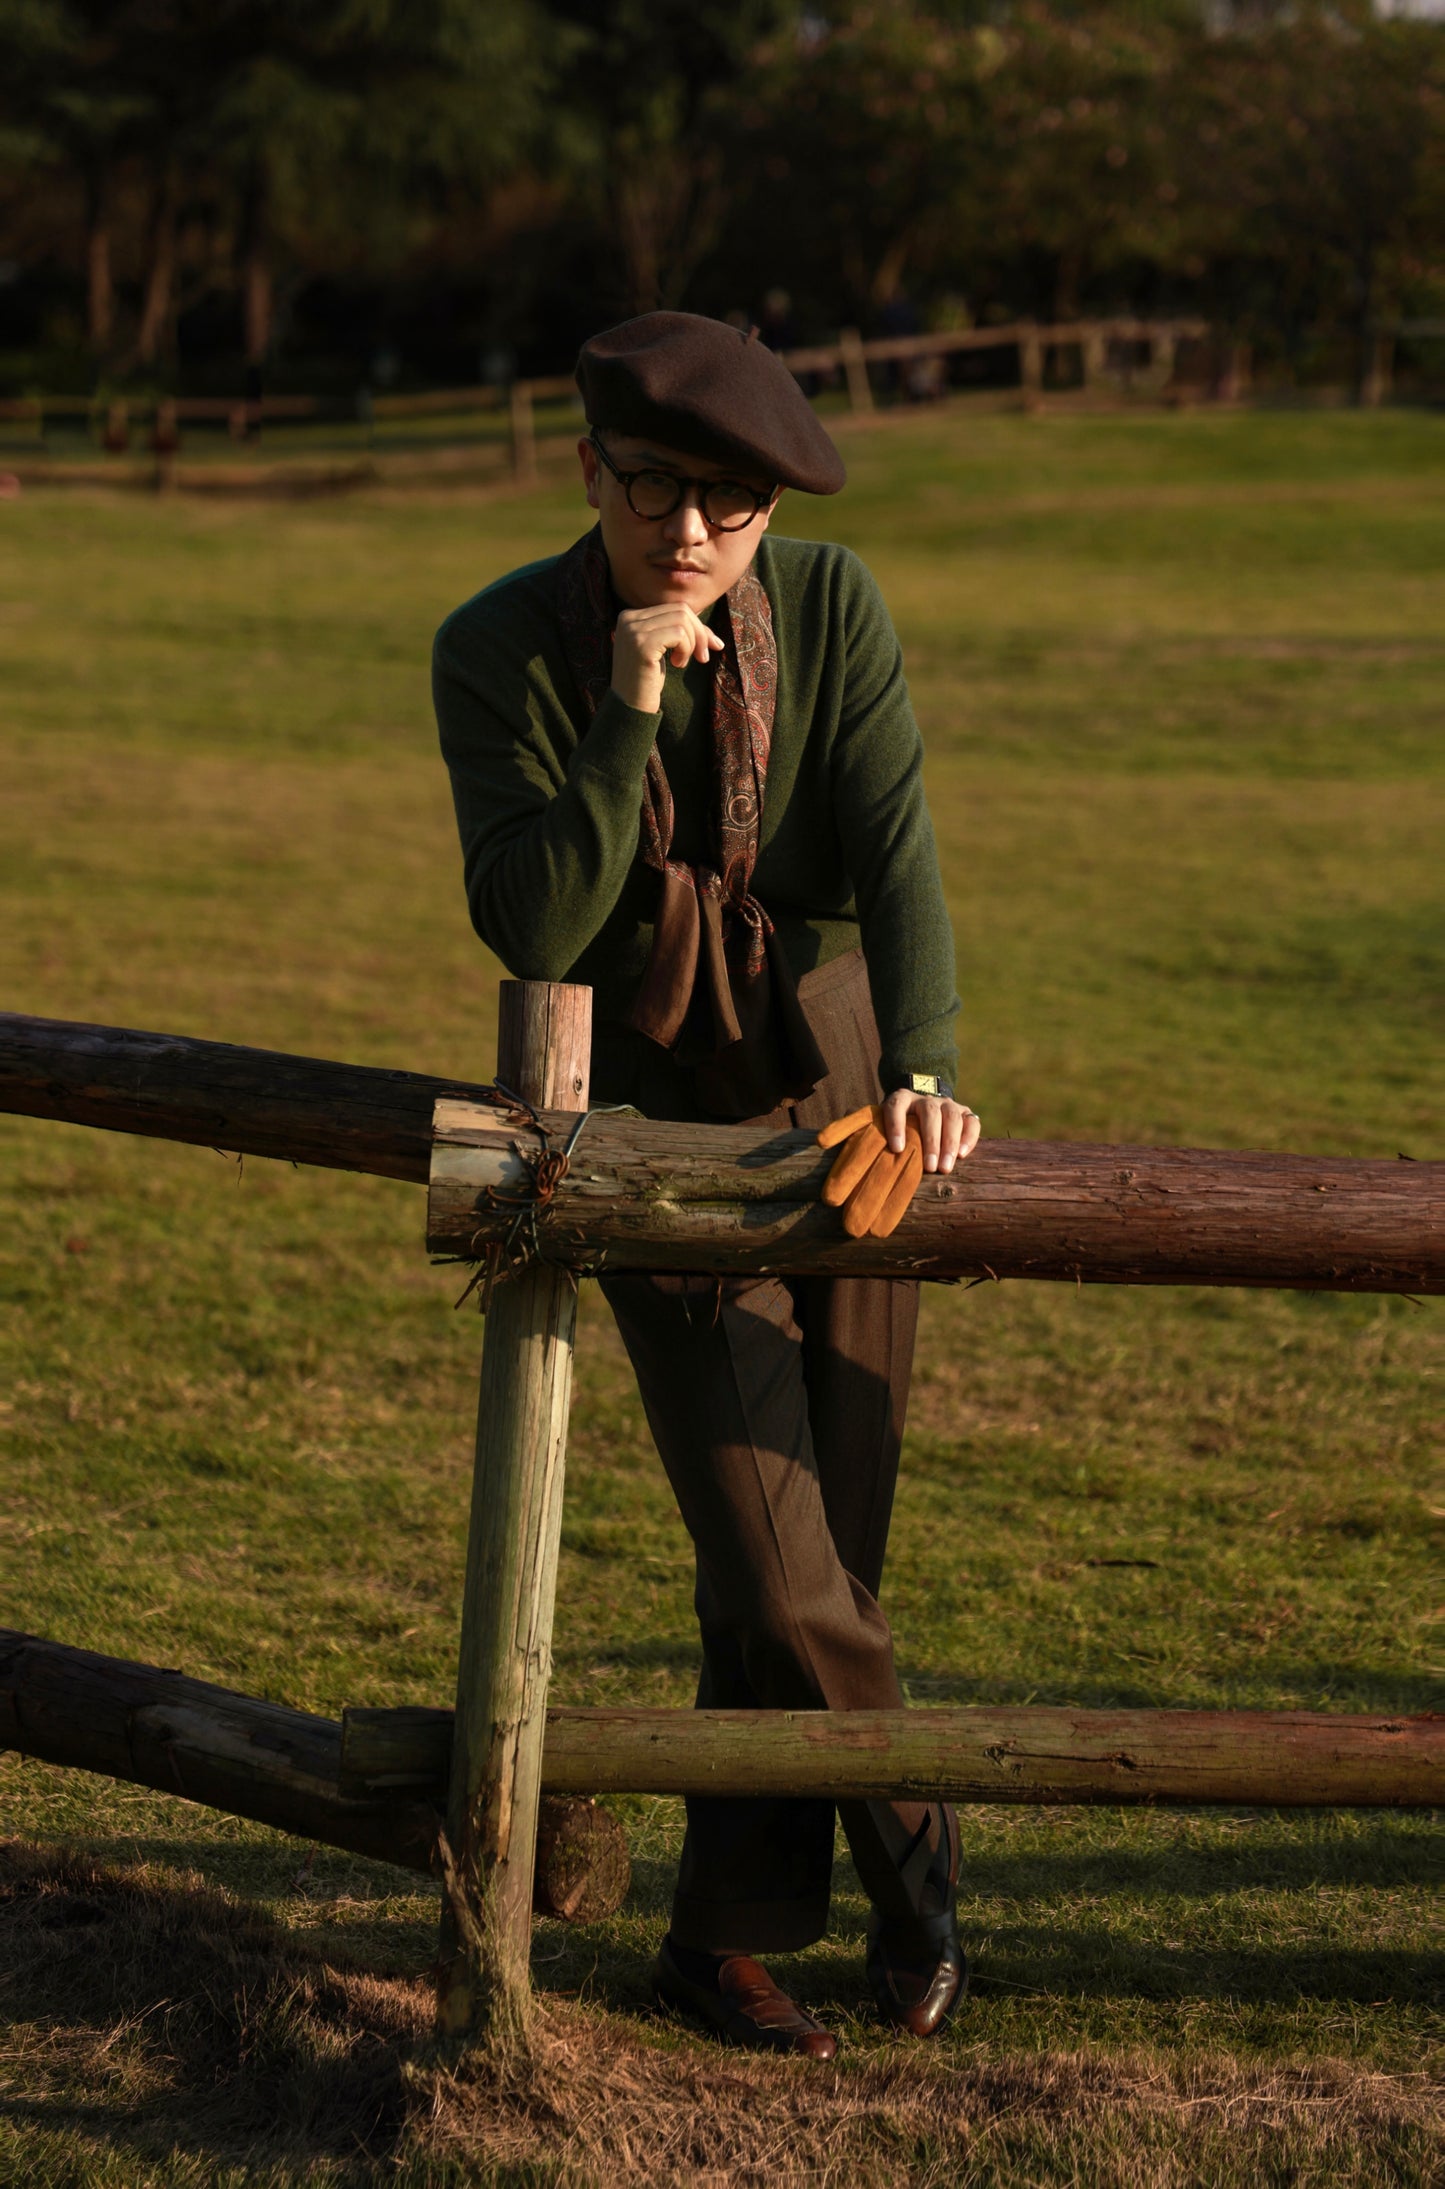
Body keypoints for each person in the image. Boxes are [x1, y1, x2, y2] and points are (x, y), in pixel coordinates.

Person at [434, 311, 980, 2060]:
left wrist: (927, 1069)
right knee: (779, 1559)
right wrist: (629, 703)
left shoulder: (831, 608)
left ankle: (718, 1935)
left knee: (825, 1558)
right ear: (586, 467)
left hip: (836, 1095)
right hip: (648, 1126)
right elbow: (537, 920)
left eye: (728, 506)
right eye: (657, 486)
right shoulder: (501, 646)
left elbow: (896, 853)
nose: (689, 534)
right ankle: (929, 1889)